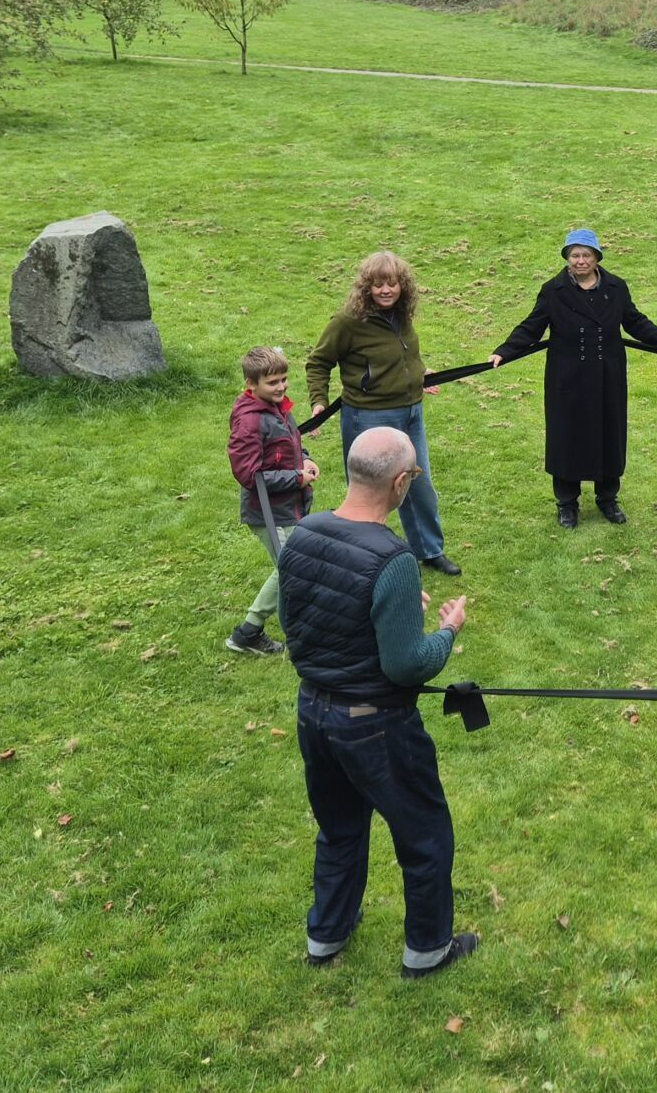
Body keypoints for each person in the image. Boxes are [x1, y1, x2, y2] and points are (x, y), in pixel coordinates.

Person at [277, 426, 480, 977]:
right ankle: (427, 950)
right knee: (424, 834)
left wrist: (389, 606)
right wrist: (447, 632)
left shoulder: (304, 533)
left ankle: (326, 935)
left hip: (313, 713)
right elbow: (406, 665)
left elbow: (300, 616)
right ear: (399, 483)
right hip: (374, 725)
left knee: (339, 827)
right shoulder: (392, 557)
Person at [489, 228, 657, 529]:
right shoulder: (553, 290)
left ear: (597, 258)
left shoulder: (616, 288)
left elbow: (634, 320)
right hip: (567, 379)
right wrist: (505, 351)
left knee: (610, 435)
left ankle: (608, 498)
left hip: (608, 376)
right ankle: (567, 503)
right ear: (567, 258)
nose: (580, 261)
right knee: (566, 437)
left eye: (586, 255)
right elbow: (532, 326)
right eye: (574, 255)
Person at [306, 250, 459, 576]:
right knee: (368, 491)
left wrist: (419, 373)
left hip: (410, 413)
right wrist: (318, 400)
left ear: (402, 285)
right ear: (367, 288)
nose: (386, 290)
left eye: (392, 283)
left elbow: (404, 356)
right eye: (378, 285)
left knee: (419, 485)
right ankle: (362, 558)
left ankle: (429, 550)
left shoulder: (401, 316)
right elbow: (319, 361)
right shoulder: (348, 323)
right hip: (369, 417)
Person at [224, 344, 318, 656]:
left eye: (284, 379)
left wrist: (303, 460)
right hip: (267, 512)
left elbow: (291, 443)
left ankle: (261, 629)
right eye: (273, 382)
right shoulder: (249, 422)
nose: (281, 387)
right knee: (293, 567)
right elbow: (250, 475)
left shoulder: (279, 408)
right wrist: (296, 478)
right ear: (251, 384)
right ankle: (248, 632)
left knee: (295, 565)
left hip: (290, 507)